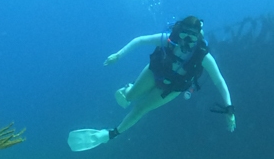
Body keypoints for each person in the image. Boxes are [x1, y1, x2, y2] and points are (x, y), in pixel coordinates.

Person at [68, 16, 236, 151]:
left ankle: (109, 134)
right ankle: (129, 89)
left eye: (192, 36)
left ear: (198, 37)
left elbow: (219, 80)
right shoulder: (168, 40)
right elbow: (140, 40)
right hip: (155, 73)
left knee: (140, 108)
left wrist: (229, 108)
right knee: (127, 98)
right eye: (184, 34)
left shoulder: (203, 56)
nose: (186, 40)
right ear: (179, 32)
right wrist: (118, 55)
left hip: (173, 87)